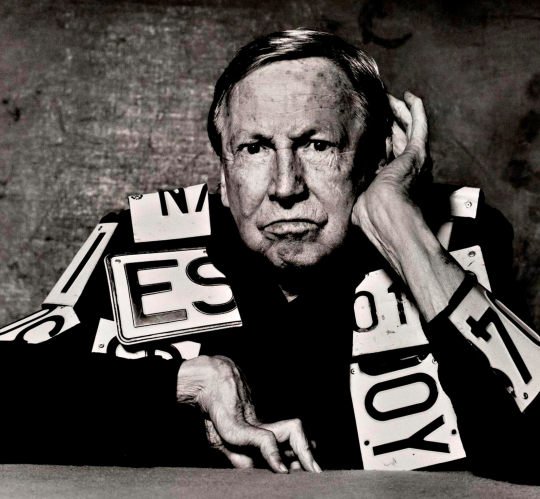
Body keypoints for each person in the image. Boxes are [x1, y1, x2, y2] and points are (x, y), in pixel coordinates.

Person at [1, 29, 539, 482]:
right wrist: (188, 383)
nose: (285, 186)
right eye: (254, 148)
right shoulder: (143, 241)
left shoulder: (444, 240)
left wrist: (399, 224)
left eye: (317, 145)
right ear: (224, 172)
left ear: (373, 159)